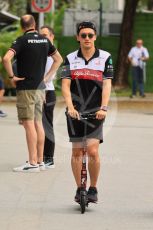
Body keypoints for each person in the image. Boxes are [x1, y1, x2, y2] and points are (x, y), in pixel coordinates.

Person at [3, 14, 63, 172]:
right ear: (35, 24)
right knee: (38, 123)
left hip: (26, 88)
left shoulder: (21, 41)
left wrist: (12, 77)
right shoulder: (45, 41)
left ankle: (32, 162)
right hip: (41, 88)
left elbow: (6, 58)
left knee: (28, 124)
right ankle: (40, 161)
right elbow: (59, 59)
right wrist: (47, 77)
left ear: (22, 27)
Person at [61, 21, 113, 203]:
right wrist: (70, 107)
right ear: (78, 38)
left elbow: (107, 84)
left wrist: (104, 107)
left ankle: (93, 188)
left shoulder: (105, 57)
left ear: (95, 37)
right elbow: (65, 85)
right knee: (76, 153)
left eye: (90, 35)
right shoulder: (69, 58)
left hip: (96, 111)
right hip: (74, 112)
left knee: (91, 150)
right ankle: (79, 188)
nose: (87, 38)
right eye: (83, 35)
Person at [40, 25, 56, 169]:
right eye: (41, 35)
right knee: (39, 125)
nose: (42, 37)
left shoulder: (52, 54)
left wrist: (43, 84)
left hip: (47, 93)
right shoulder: (43, 51)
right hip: (40, 92)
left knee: (47, 125)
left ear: (52, 37)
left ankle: (49, 158)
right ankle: (39, 157)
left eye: (45, 35)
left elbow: (51, 75)